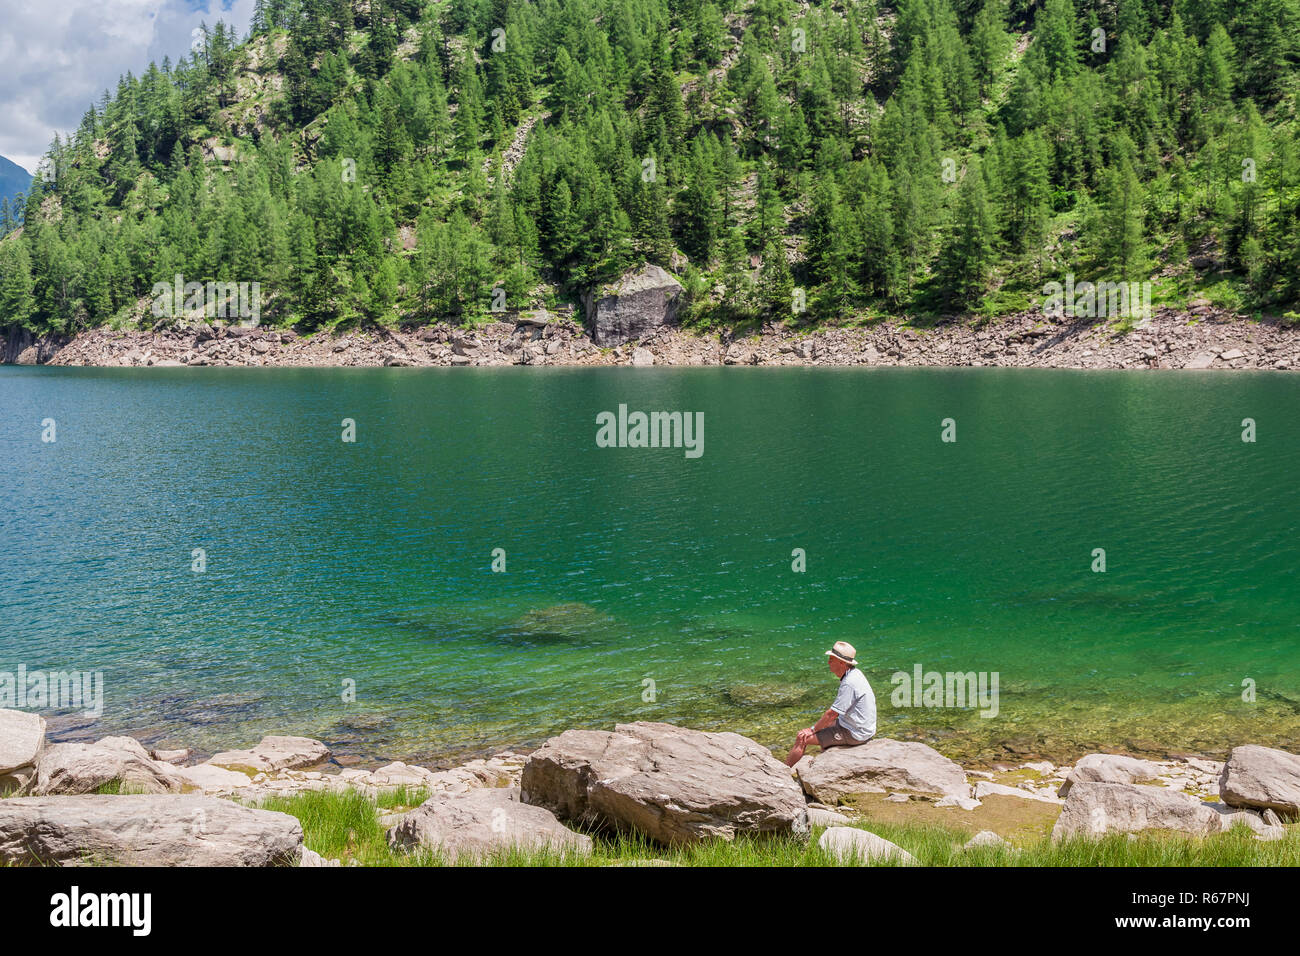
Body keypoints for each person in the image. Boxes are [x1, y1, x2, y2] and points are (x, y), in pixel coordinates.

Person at [785, 641, 876, 767]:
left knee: (802, 737)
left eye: (831, 659)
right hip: (863, 728)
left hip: (855, 733)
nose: (828, 662)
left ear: (841, 663)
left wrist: (812, 730)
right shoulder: (856, 673)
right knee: (822, 728)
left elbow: (832, 714)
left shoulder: (849, 683)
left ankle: (782, 773)